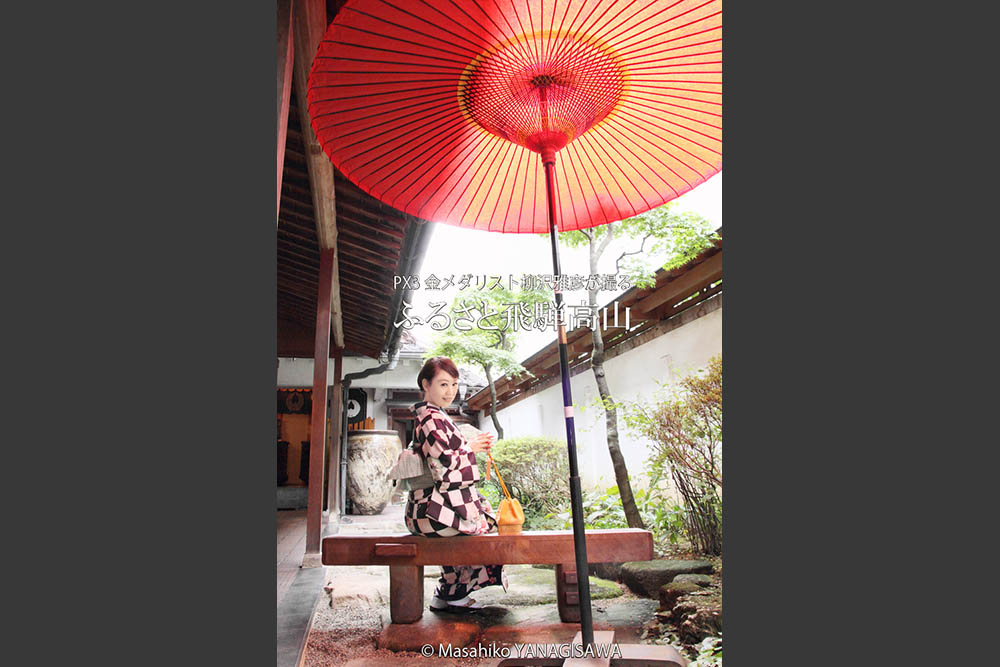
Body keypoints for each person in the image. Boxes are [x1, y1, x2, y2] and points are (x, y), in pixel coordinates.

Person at [405, 356, 507, 612]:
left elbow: (451, 456)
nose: (450, 391)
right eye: (443, 384)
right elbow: (442, 467)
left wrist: (471, 446)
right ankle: (452, 592)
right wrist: (470, 448)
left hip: (428, 506)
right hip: (430, 510)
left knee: (483, 519)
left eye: (454, 384)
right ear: (426, 385)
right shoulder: (429, 418)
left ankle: (449, 590)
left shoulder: (435, 416)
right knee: (484, 526)